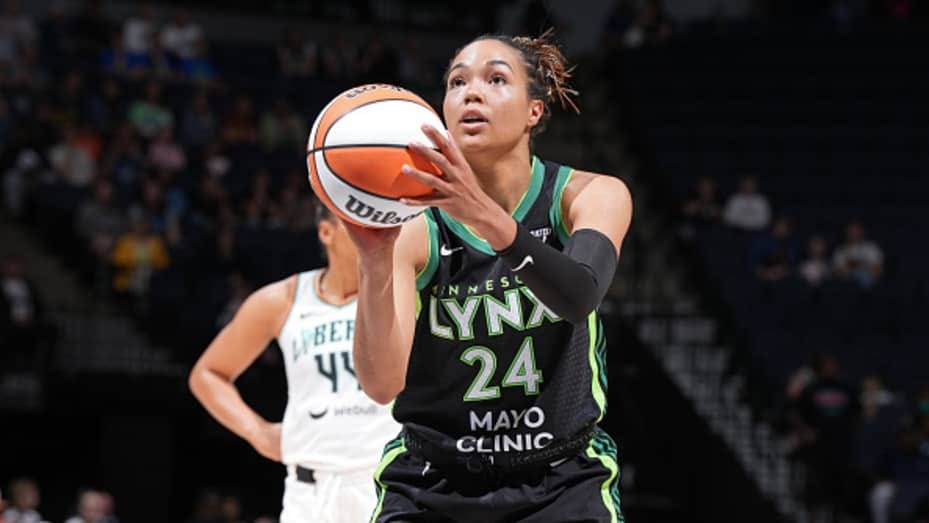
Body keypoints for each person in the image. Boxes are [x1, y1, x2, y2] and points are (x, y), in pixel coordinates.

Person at [345, 29, 631, 521]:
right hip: (433, 481)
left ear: (534, 111)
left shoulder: (587, 196)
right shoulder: (416, 228)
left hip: (561, 480)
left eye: (496, 79)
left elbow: (579, 295)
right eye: (457, 82)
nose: (470, 92)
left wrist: (482, 215)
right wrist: (373, 264)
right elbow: (381, 384)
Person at [188, 202, 400, 523]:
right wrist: (258, 433)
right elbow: (208, 374)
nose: (370, 234)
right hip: (309, 490)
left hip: (386, 479)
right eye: (356, 225)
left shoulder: (401, 293)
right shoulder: (283, 300)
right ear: (326, 232)